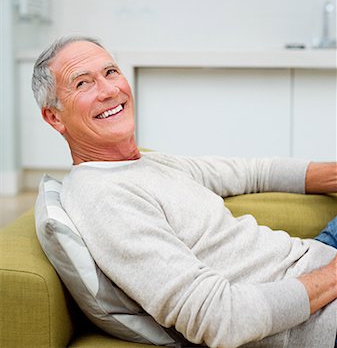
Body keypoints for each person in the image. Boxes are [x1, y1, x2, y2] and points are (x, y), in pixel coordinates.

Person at [32, 35, 337, 348]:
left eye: (110, 72)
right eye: (82, 83)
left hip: (313, 259)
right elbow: (220, 318)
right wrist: (332, 275)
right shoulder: (105, 200)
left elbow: (250, 172)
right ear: (54, 116)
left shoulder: (141, 163)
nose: (109, 90)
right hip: (318, 312)